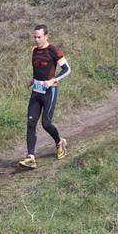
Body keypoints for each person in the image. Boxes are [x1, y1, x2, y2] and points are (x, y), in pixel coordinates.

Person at [18, 25, 70, 170]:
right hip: (36, 91)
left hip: (49, 92)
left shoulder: (54, 51)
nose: (36, 39)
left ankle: (60, 143)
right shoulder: (34, 50)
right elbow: (38, 69)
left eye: (39, 37)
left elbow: (67, 69)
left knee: (46, 124)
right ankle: (31, 158)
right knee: (30, 123)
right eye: (34, 37)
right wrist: (32, 80)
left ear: (46, 36)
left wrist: (53, 80)